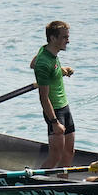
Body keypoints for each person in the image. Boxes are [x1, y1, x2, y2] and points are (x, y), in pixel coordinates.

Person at [32, 20, 75, 169]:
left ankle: (62, 182)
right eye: (64, 37)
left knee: (69, 152)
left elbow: (32, 64)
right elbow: (43, 98)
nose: (68, 41)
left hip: (65, 107)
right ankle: (34, 184)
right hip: (54, 111)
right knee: (55, 156)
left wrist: (60, 70)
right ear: (53, 38)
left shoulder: (47, 51)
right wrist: (54, 122)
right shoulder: (44, 63)